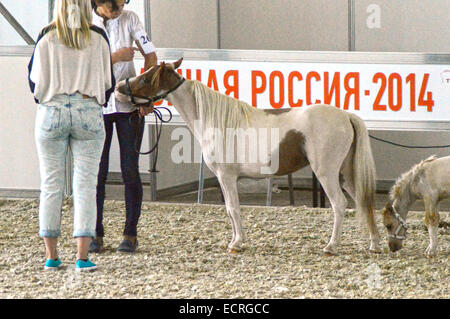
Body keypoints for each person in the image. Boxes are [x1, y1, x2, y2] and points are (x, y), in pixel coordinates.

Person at [28, 0, 115, 271]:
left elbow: (33, 81)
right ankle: (82, 257)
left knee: (51, 184)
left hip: (51, 111)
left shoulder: (46, 35)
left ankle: (51, 256)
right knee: (85, 185)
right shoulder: (98, 38)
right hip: (87, 111)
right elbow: (108, 82)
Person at [90, 0, 157, 253]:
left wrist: (145, 94)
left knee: (130, 169)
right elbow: (82, 62)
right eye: (112, 2)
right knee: (97, 172)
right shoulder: (87, 24)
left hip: (128, 105)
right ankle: (95, 232)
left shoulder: (131, 19)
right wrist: (115, 57)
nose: (118, 5)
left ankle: (130, 233)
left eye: (121, 0)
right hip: (97, 104)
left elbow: (150, 54)